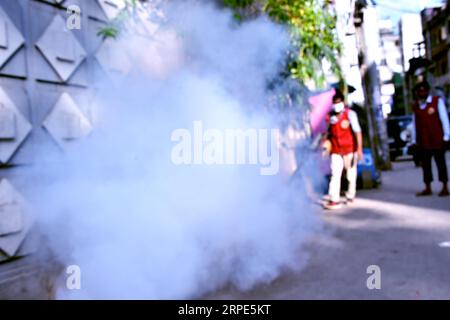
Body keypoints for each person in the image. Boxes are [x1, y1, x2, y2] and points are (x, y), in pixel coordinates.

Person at [323, 89, 364, 210]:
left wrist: (359, 149)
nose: (337, 105)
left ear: (343, 102)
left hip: (349, 150)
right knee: (335, 175)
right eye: (335, 102)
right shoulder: (330, 117)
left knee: (351, 175)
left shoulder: (350, 114)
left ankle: (350, 196)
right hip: (336, 150)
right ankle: (334, 199)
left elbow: (358, 132)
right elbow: (327, 133)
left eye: (339, 102)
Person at [412, 81, 450, 197]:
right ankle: (427, 187)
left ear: (427, 91)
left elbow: (444, 119)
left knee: (440, 163)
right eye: (420, 91)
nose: (422, 93)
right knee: (426, 165)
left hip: (437, 139)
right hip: (423, 141)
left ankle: (445, 187)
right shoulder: (416, 106)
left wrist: (447, 136)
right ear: (417, 93)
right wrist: (414, 140)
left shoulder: (436, 101)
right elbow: (415, 124)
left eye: (424, 90)